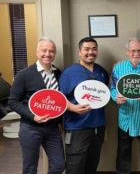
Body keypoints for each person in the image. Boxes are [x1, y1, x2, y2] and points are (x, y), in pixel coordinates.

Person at [8, 37, 65, 174]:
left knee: (59, 165)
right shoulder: (23, 75)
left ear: (55, 54)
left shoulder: (59, 73)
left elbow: (60, 101)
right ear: (37, 52)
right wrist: (33, 116)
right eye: (44, 50)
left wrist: (60, 122)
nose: (48, 54)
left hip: (52, 129)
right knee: (30, 168)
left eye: (51, 51)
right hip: (30, 128)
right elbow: (12, 101)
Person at [59, 37, 109, 174]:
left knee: (92, 165)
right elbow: (59, 99)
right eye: (86, 49)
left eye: (94, 49)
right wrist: (72, 107)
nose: (90, 52)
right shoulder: (69, 73)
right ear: (79, 52)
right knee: (75, 167)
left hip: (98, 127)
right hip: (77, 128)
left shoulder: (102, 72)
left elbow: (106, 94)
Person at [110, 38, 140, 174]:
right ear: (127, 52)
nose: (136, 53)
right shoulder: (118, 68)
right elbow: (112, 87)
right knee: (123, 153)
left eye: (139, 50)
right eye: (133, 50)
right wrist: (115, 97)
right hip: (125, 119)